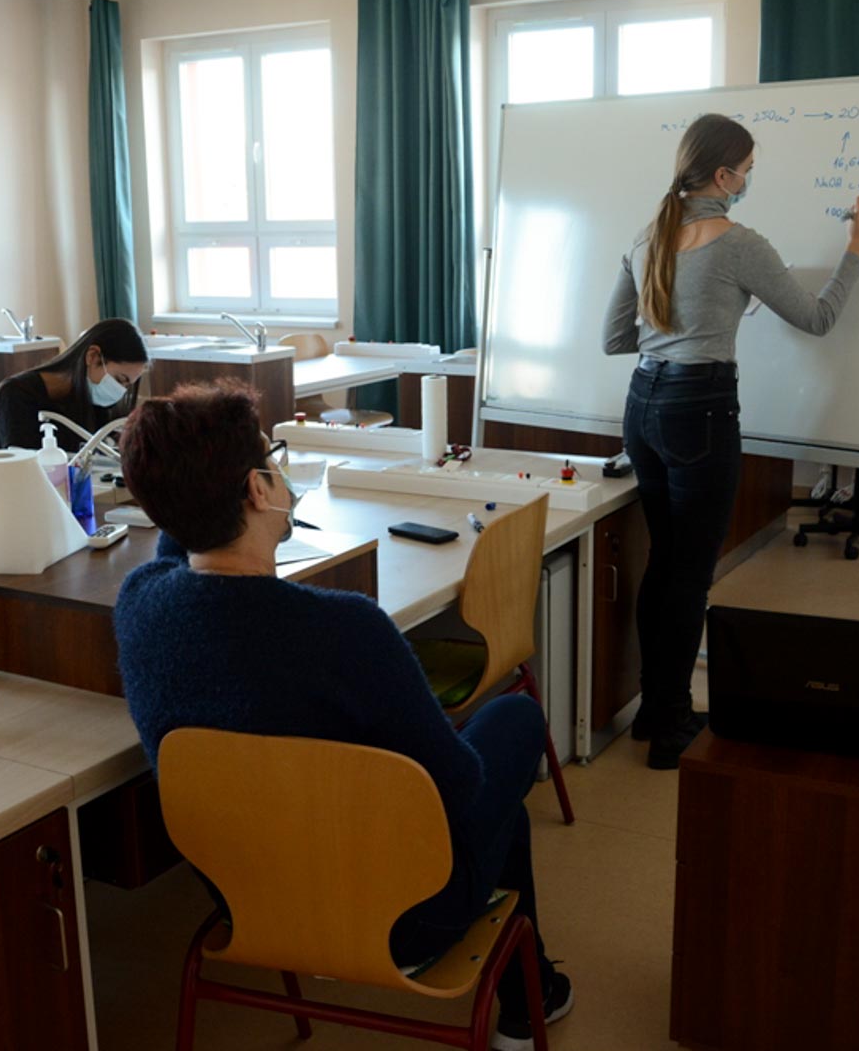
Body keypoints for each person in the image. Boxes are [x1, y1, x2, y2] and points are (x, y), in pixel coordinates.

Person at [115, 382, 574, 1051]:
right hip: (407, 918)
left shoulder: (140, 606)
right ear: (257, 489)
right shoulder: (347, 630)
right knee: (512, 722)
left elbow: (180, 549)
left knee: (503, 815)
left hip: (246, 901)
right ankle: (526, 1004)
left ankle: (531, 995)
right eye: (272, 461)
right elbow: (458, 784)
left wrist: (182, 487)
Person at [601, 113, 859, 770]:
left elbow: (615, 339)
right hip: (698, 411)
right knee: (689, 575)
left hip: (641, 406)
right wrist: (858, 248)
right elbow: (817, 318)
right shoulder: (738, 245)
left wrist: (686, 321)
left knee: (665, 563)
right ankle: (670, 727)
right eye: (748, 170)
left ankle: (654, 711)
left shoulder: (647, 236)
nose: (750, 180)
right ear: (723, 176)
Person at [0, 317, 148, 453]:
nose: (120, 391)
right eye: (119, 379)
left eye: (127, 385)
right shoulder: (15, 394)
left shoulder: (94, 401)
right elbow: (24, 468)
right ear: (92, 356)